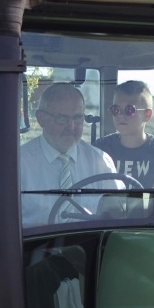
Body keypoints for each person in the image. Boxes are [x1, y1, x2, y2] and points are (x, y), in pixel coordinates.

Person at [20, 82, 120, 226]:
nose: (71, 127)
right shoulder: (18, 164)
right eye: (62, 118)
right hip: (35, 240)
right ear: (41, 118)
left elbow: (118, 216)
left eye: (78, 118)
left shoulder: (101, 162)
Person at [94, 80, 154, 188]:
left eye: (130, 110)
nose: (121, 115)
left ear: (147, 115)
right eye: (116, 109)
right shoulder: (100, 148)